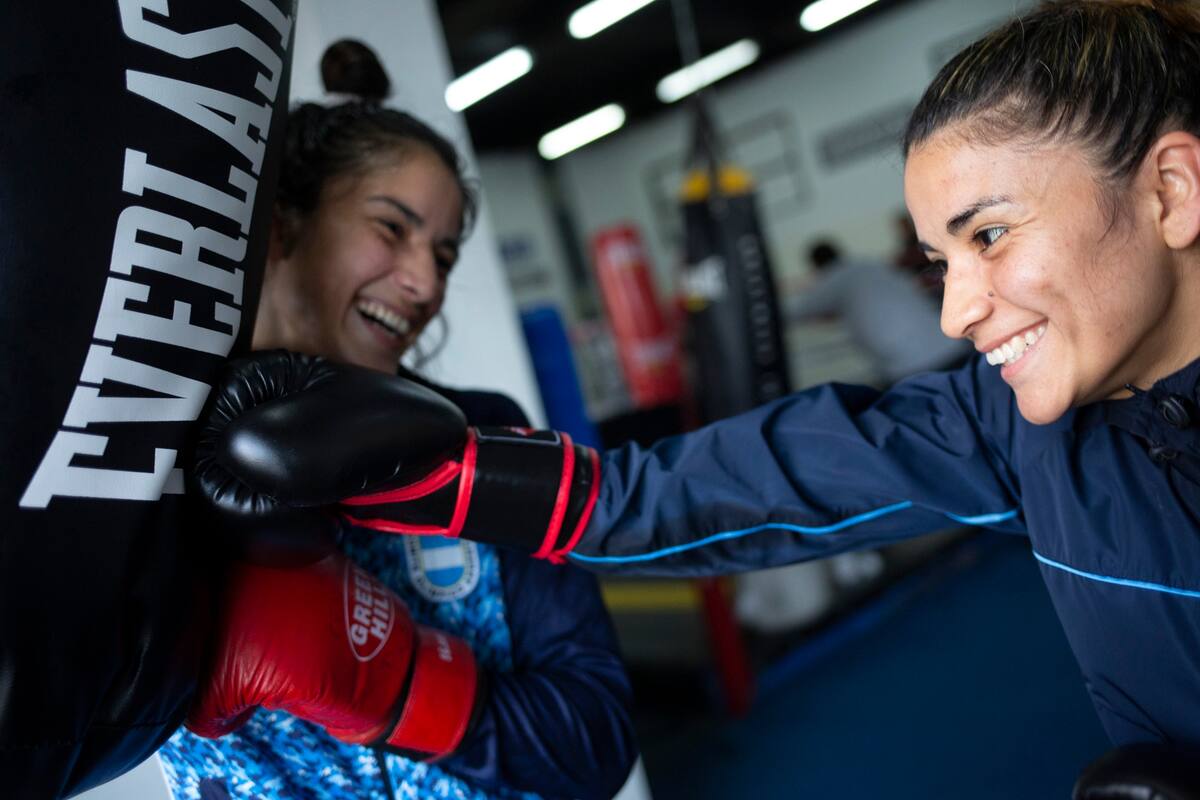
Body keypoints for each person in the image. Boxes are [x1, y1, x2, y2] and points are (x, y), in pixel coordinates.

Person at [194, 0, 1200, 794]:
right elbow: (713, 488)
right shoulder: (1011, 427)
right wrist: (443, 473)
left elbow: (585, 735)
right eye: (939, 259)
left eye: (987, 235)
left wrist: (400, 683)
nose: (955, 311)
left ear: (1170, 192)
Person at [159, 97, 636, 800]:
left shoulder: (484, 435)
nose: (426, 283)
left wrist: (404, 687)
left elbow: (596, 738)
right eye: (392, 228)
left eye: (443, 256)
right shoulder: (154, 450)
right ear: (285, 225)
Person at [787, 239, 970, 383]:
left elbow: (796, 312)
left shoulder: (836, 278)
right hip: (950, 347)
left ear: (817, 266)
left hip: (913, 367)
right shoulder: (873, 265)